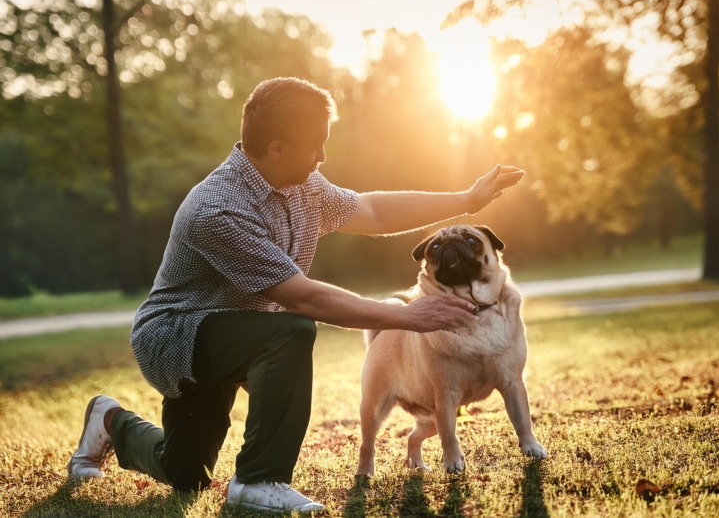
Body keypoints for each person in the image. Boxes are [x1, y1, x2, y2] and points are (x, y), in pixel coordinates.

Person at [67, 77, 525, 512]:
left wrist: (465, 198)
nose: (322, 156)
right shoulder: (219, 208)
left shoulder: (302, 185)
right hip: (177, 336)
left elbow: (371, 210)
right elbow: (303, 299)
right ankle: (258, 480)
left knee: (184, 472)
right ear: (276, 149)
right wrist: (407, 316)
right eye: (316, 146)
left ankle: (108, 420)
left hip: (238, 333)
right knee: (291, 329)